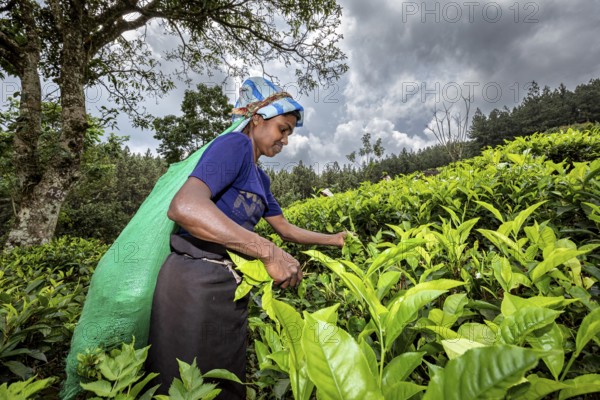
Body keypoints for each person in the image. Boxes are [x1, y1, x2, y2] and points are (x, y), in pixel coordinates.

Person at [145, 77, 346, 399]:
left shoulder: (261, 177)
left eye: (290, 133)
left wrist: (334, 239)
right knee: (185, 383)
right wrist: (268, 253)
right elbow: (186, 207)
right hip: (194, 279)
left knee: (223, 381)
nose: (286, 140)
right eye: (283, 128)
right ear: (256, 119)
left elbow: (287, 229)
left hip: (227, 283)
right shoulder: (234, 145)